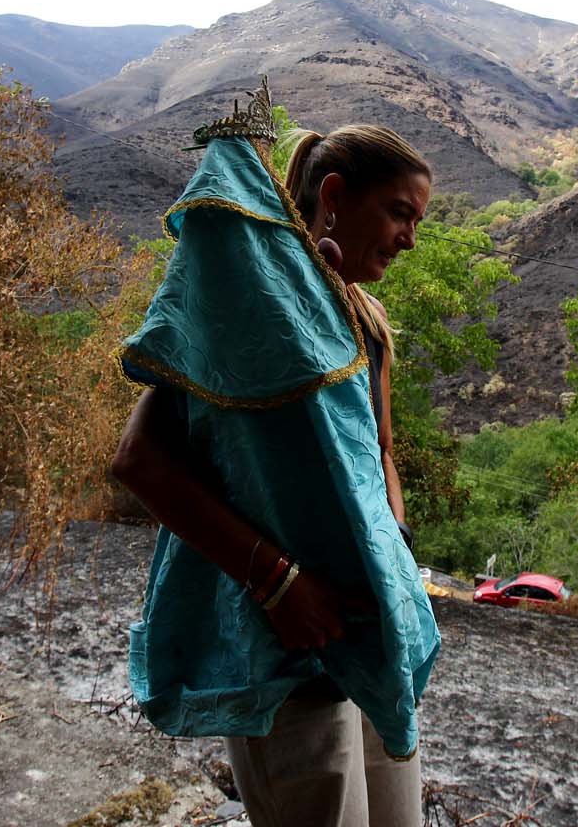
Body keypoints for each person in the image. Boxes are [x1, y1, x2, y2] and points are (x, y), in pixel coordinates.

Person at [110, 83, 438, 827]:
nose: (410, 238)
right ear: (334, 194)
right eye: (399, 213)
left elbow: (380, 453)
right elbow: (139, 459)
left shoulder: (369, 317)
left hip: (367, 639)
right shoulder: (246, 297)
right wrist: (284, 585)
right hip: (278, 646)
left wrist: (392, 570)